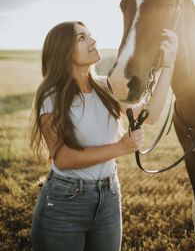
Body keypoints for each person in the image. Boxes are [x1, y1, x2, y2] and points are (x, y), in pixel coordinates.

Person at [30, 21, 178, 251]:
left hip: (109, 197)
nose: (93, 40)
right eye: (82, 38)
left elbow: (151, 115)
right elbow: (63, 158)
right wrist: (120, 148)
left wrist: (168, 66)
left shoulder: (106, 87)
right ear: (63, 50)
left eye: (90, 35)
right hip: (64, 203)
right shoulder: (51, 96)